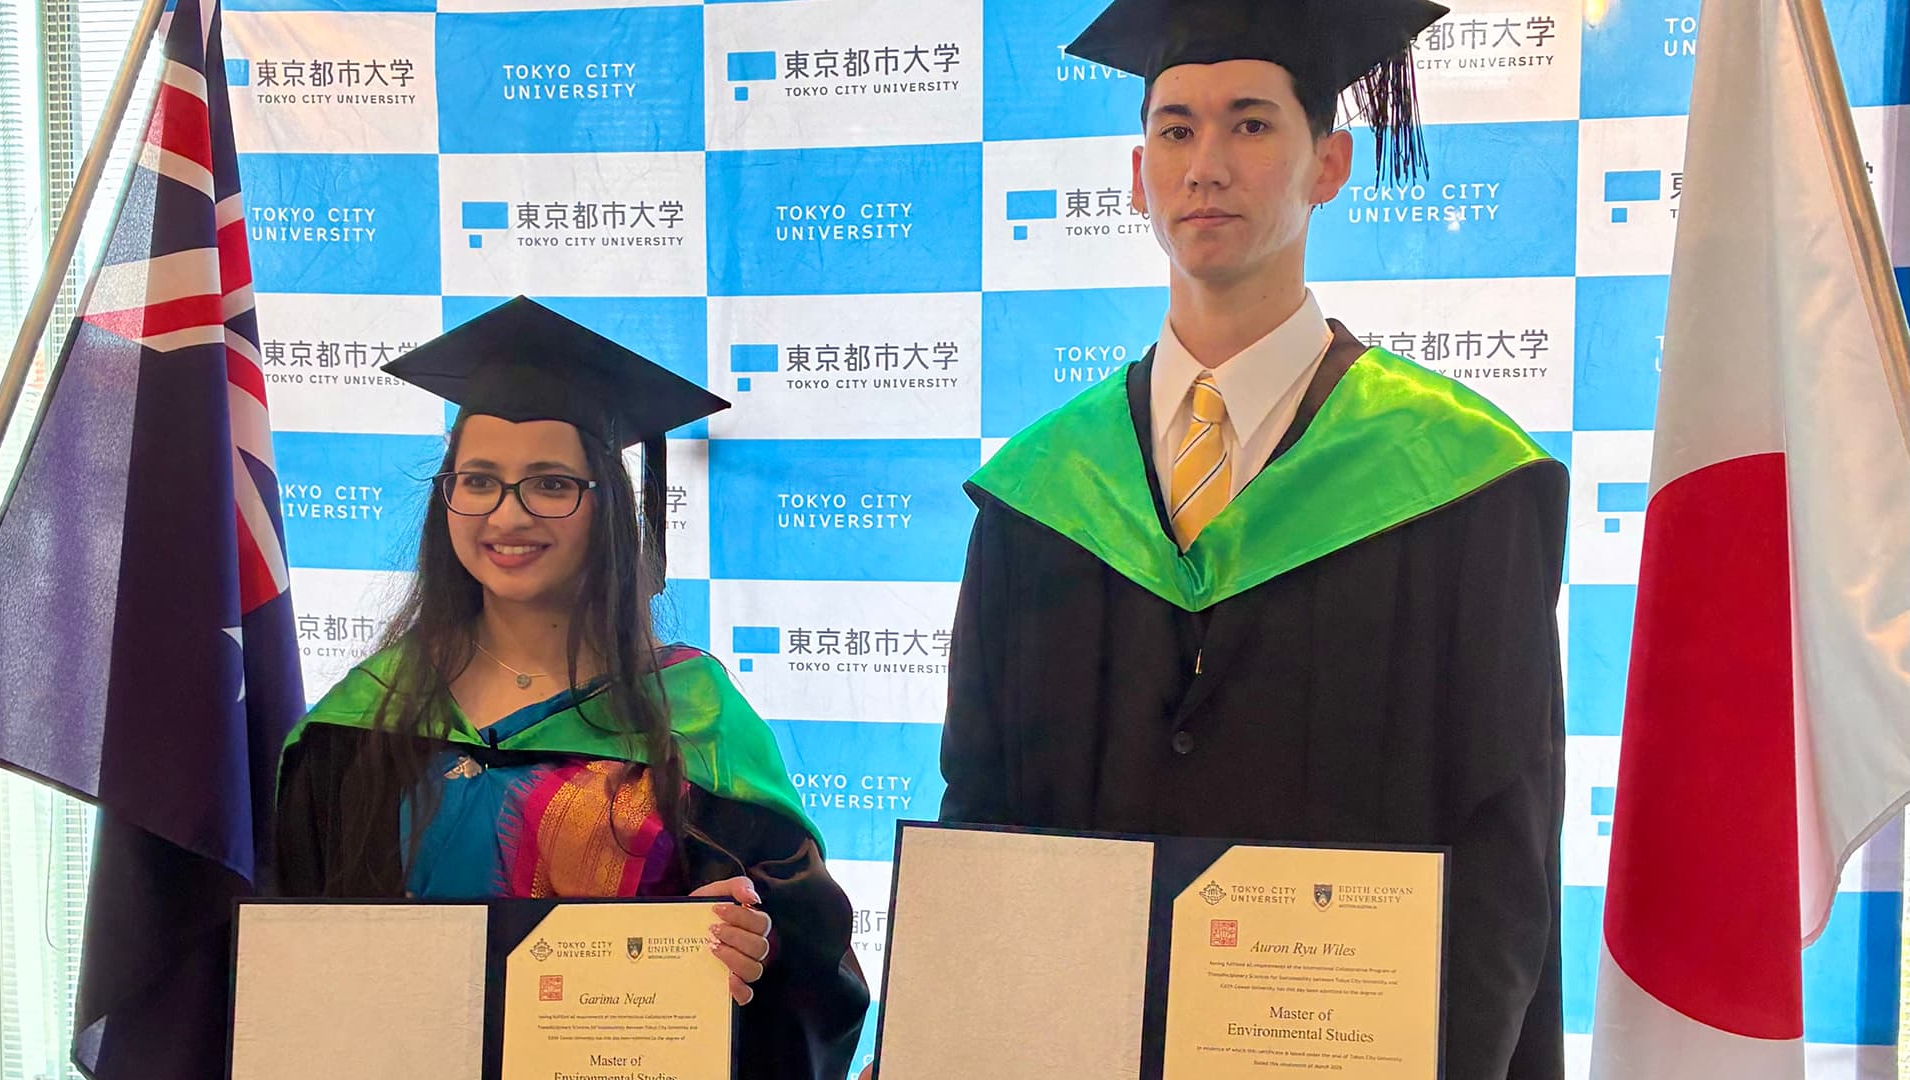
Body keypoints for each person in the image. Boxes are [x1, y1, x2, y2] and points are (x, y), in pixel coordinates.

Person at [936, 1, 1568, 1077]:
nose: (1207, 164)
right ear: (1137, 177)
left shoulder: (1456, 481)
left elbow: (1503, 841)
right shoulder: (1042, 494)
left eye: (1251, 125)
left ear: (1329, 163)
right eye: (1174, 130)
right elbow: (983, 815)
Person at [273, 296, 870, 1079]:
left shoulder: (694, 717)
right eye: (478, 480)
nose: (507, 514)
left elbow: (807, 977)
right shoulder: (367, 719)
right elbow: (295, 964)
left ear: (607, 508)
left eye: (551, 484)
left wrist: (751, 946)